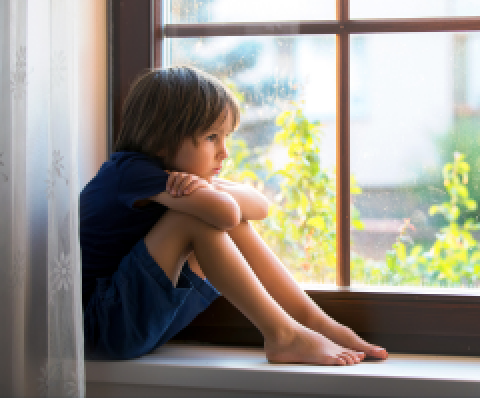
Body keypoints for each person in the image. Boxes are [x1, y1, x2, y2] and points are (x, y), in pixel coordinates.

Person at [81, 66, 388, 364]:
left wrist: (207, 186)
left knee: (220, 216)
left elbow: (259, 206)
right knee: (196, 218)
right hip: (103, 325)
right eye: (212, 137)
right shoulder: (131, 172)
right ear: (162, 141)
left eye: (225, 137)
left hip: (133, 321)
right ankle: (282, 334)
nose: (224, 152)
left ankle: (313, 321)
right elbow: (227, 213)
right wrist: (210, 191)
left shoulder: (177, 177)